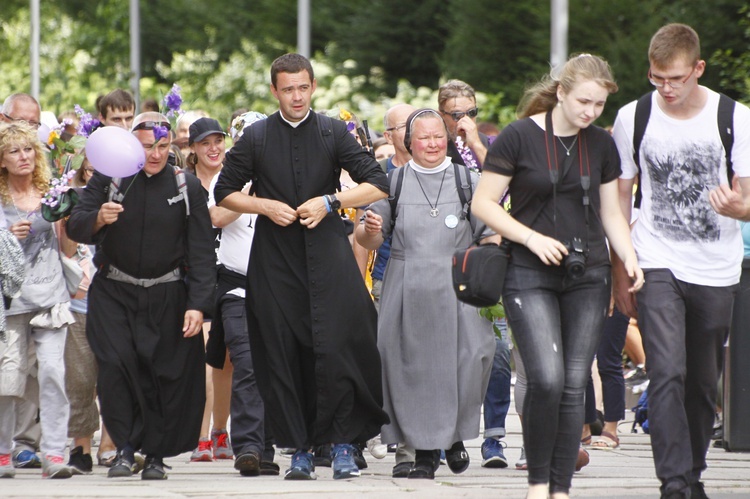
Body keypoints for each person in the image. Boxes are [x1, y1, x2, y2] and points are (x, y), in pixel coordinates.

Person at [471, 54, 644, 499]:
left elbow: (611, 212)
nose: (589, 112)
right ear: (561, 92)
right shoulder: (518, 136)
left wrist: (629, 257)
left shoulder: (602, 145)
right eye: (583, 101)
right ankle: (538, 482)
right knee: (545, 378)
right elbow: (484, 204)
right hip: (529, 270)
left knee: (572, 382)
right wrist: (530, 238)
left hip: (589, 273)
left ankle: (560, 489)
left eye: (599, 105)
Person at [214, 53, 390, 481]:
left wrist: (331, 201)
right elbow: (223, 192)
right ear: (274, 91)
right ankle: (301, 450)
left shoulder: (332, 131)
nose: (296, 96)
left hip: (328, 251)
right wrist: (265, 206)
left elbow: (377, 181)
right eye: (287, 88)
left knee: (344, 344)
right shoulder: (255, 137)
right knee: (282, 352)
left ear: (313, 87)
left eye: (303, 87)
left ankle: (345, 445)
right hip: (275, 259)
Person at [611, 23, 750, 499]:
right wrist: (620, 268)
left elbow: (748, 198)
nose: (666, 89)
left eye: (675, 78)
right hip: (655, 259)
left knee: (701, 380)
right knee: (667, 369)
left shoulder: (734, 117)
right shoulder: (635, 116)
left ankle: (692, 472)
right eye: (656, 78)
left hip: (716, 265)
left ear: (698, 69)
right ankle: (672, 482)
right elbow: (619, 195)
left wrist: (739, 209)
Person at [66, 111, 216, 480]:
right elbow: (75, 226)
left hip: (167, 294)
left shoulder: (186, 186)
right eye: (148, 146)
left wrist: (198, 304)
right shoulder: (109, 179)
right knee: (116, 369)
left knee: (162, 374)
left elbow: (201, 251)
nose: (155, 154)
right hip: (114, 292)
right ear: (133, 144)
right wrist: (99, 217)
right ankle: (124, 449)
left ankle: (155, 455)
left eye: (163, 146)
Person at [355, 108, 496, 480]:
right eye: (423, 137)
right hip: (408, 283)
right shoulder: (391, 182)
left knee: (473, 359)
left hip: (458, 286)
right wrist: (369, 228)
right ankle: (425, 453)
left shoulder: (469, 180)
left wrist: (490, 259)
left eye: (438, 136)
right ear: (408, 142)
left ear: (446, 139)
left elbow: (490, 231)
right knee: (408, 369)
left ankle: (451, 437)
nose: (432, 144)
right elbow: (369, 238)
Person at [0, 122, 76, 479]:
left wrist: (69, 218)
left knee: (52, 372)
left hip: (50, 296)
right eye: (14, 151)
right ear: (2, 160)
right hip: (10, 301)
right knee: (7, 380)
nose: (23, 157)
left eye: (28, 149)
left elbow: (69, 248)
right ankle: (3, 452)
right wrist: (6, 237)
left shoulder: (52, 192)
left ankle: (54, 454)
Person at [184, 117, 234, 463]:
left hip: (232, 276)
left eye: (218, 141)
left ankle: (220, 430)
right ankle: (202, 437)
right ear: (193, 149)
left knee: (227, 363)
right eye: (205, 143)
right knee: (205, 363)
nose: (213, 148)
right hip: (198, 277)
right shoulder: (183, 184)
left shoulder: (235, 179)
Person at [0, 93, 44, 470]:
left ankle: (25, 442)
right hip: (5, 291)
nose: (28, 130)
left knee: (33, 367)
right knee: (8, 367)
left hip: (40, 288)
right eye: (21, 121)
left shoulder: (46, 173)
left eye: (35, 124)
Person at [438, 79, 489, 169]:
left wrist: (477, 145)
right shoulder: (435, 148)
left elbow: (501, 176)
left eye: (472, 112)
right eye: (457, 115)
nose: (466, 120)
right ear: (442, 116)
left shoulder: (489, 142)